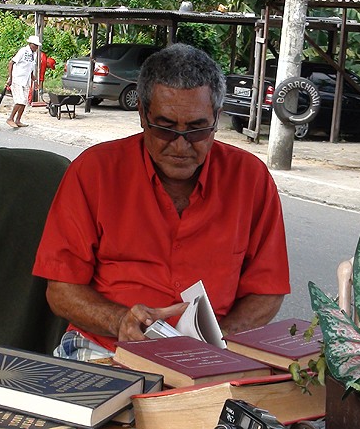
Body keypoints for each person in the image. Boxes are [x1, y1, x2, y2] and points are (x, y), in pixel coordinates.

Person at [32, 43, 290, 361]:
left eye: (197, 130)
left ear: (217, 119)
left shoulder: (251, 179)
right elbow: (60, 290)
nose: (181, 146)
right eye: (165, 128)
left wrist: (216, 344)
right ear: (142, 114)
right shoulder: (94, 172)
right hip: (104, 347)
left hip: (210, 356)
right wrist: (119, 321)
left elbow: (267, 290)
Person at [6, 35, 41, 128]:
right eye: (35, 45)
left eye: (37, 46)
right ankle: (10, 118)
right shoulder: (23, 51)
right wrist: (10, 78)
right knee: (20, 100)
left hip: (26, 80)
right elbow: (11, 63)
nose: (36, 47)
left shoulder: (35, 54)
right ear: (30, 44)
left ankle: (18, 120)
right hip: (17, 79)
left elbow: (30, 68)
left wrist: (34, 78)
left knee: (24, 101)